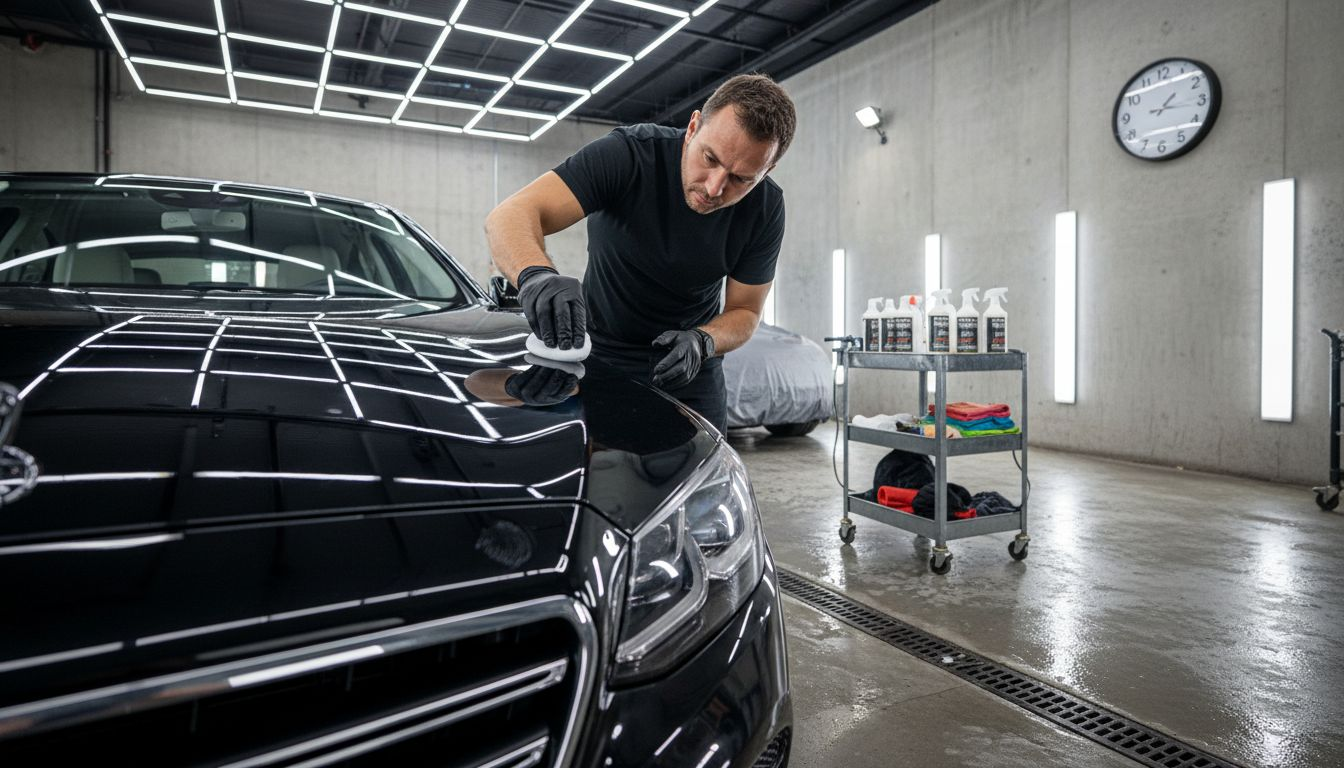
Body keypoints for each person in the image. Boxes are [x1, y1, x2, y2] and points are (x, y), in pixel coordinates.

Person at [484, 73, 795, 432]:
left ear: (766, 170)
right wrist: (535, 275)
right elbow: (509, 215)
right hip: (600, 357)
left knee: (703, 482)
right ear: (693, 127)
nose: (714, 188)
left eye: (741, 179)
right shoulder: (629, 155)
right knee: (601, 477)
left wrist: (703, 341)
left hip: (690, 371)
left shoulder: (766, 208)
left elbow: (745, 310)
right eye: (710, 158)